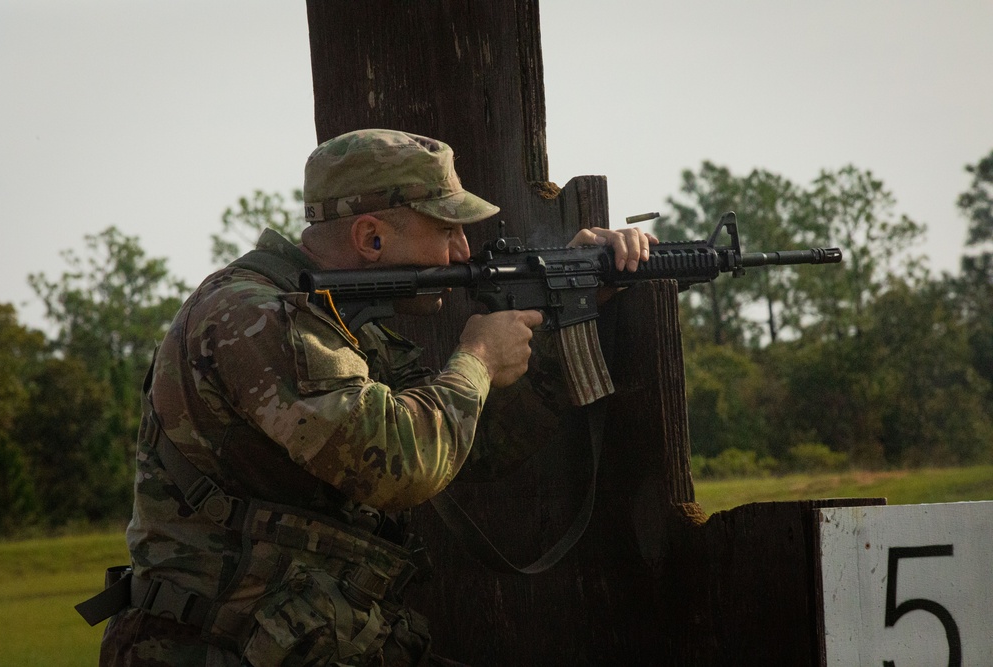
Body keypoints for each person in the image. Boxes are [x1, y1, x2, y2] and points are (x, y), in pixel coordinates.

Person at [93, 129, 655, 666]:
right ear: (370, 238)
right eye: (446, 230)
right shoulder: (259, 315)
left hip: (294, 641)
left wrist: (575, 304)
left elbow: (468, 447)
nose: (464, 250)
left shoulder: (338, 323)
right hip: (211, 650)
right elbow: (399, 464)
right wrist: (478, 359)